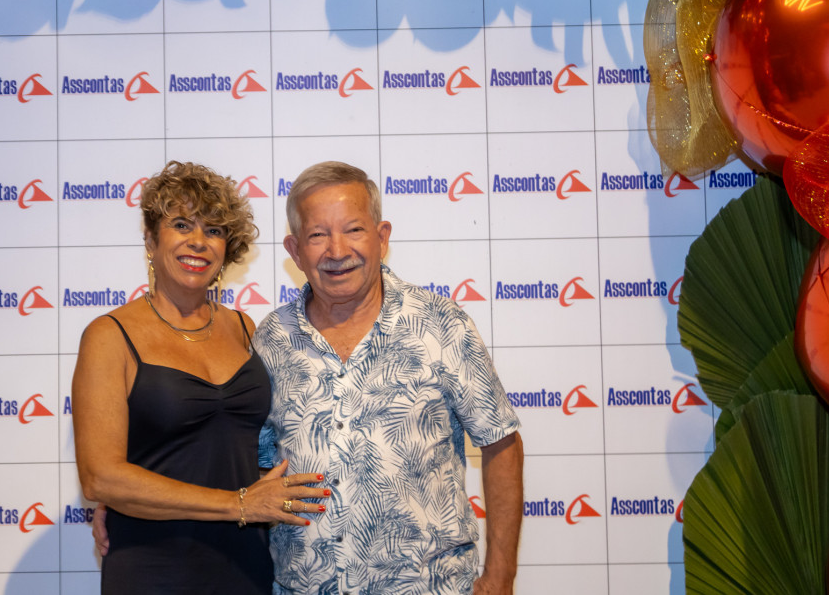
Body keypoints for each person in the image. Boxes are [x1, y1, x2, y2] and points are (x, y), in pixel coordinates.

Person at [256, 160, 524, 595]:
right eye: (318, 235)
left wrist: (499, 578)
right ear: (295, 250)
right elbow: (250, 459)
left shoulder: (441, 323)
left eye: (353, 230)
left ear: (382, 238)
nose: (337, 250)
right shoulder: (271, 339)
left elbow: (501, 443)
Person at [73, 161, 330, 595]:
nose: (198, 240)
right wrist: (239, 503)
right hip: (154, 570)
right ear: (151, 239)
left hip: (245, 566)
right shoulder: (109, 336)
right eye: (181, 225)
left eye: (213, 230)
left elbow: (267, 439)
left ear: (227, 248)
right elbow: (101, 478)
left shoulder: (245, 328)